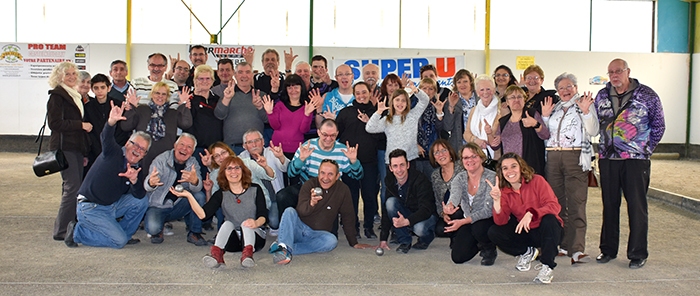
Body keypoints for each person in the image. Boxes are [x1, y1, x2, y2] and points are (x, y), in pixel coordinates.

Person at [594, 58, 665, 269]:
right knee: (609, 205)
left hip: (635, 161)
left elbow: (659, 125)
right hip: (608, 159)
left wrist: (645, 149)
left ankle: (637, 253)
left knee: (637, 207)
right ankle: (607, 250)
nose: (614, 75)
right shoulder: (602, 96)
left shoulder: (647, 95)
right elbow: (596, 122)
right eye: (610, 72)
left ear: (628, 72)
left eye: (618, 71)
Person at [64, 102, 151, 249]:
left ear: (144, 155)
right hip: (90, 207)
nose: (138, 150)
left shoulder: (136, 167)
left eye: (143, 149)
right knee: (119, 242)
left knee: (141, 202)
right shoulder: (113, 153)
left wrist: (135, 180)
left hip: (111, 206)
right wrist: (111, 122)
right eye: (135, 145)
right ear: (127, 143)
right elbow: (106, 137)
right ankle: (77, 232)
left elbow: (139, 196)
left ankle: (123, 233)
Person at [540, 73, 599, 264]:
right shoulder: (555, 108)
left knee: (576, 203)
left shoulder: (584, 104)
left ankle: (577, 249)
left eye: (569, 86)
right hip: (554, 157)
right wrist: (545, 117)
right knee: (557, 203)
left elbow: (593, 131)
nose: (565, 91)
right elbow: (546, 133)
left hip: (575, 157)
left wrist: (587, 113)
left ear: (576, 87)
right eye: (561, 88)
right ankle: (562, 245)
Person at [269, 159, 373, 264]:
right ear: (318, 173)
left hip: (317, 234)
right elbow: (300, 211)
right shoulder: (309, 184)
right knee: (289, 211)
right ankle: (284, 247)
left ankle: (284, 248)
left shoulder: (343, 190)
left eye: (330, 174)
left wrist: (353, 242)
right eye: (322, 173)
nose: (325, 178)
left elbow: (348, 216)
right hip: (299, 229)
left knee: (331, 241)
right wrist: (311, 203)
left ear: (337, 176)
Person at [171, 156, 267, 269]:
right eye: (229, 168)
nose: (233, 171)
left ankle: (247, 255)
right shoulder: (221, 193)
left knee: (246, 224)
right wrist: (188, 195)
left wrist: (255, 223)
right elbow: (203, 215)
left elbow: (263, 215)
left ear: (243, 170)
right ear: (224, 173)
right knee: (226, 224)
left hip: (255, 238)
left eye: (237, 167)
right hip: (233, 241)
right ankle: (217, 255)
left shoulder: (255, 189)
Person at [487, 153, 562, 284]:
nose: (510, 171)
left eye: (513, 166)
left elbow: (554, 206)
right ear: (501, 172)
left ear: (521, 167)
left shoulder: (537, 181)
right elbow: (501, 221)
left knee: (550, 219)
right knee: (494, 231)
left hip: (547, 231)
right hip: (526, 232)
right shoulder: (504, 191)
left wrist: (531, 213)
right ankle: (527, 252)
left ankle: (547, 266)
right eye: (505, 168)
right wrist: (497, 201)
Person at [276, 119, 364, 219]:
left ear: (337, 134)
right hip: (306, 188)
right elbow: (291, 174)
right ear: (318, 132)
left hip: (330, 192)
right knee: (282, 196)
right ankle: (287, 226)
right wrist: (301, 159)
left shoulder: (342, 151)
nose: (328, 138)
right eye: (325, 134)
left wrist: (354, 161)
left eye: (332, 135)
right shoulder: (307, 147)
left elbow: (358, 176)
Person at [46, 61, 92, 241]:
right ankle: (62, 231)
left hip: (75, 148)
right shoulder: (57, 96)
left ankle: (70, 225)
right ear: (59, 77)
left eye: (74, 73)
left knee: (73, 187)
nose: (73, 77)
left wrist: (84, 152)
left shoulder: (74, 95)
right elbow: (54, 123)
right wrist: (80, 125)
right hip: (65, 148)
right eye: (68, 74)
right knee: (72, 188)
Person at [336, 82, 382, 239]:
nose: (361, 95)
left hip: (370, 162)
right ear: (354, 94)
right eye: (358, 93)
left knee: (369, 196)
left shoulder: (377, 113)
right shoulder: (345, 113)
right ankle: (353, 227)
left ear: (370, 93)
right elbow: (336, 135)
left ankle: (369, 227)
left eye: (364, 92)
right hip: (349, 163)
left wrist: (370, 122)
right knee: (351, 197)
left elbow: (382, 137)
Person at [144, 133, 207, 246]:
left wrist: (194, 181)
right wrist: (151, 182)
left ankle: (195, 232)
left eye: (189, 147)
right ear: (175, 145)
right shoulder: (161, 159)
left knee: (199, 196)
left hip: (179, 205)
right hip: (158, 205)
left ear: (192, 151)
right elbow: (147, 184)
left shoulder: (193, 162)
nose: (184, 149)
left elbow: (198, 187)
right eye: (182, 144)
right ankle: (159, 229)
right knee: (153, 229)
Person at [442, 143, 497, 265]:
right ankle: (478, 243)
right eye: (466, 158)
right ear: (462, 161)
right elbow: (454, 195)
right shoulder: (460, 178)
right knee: (458, 257)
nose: (470, 160)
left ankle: (489, 248)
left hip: (488, 220)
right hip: (470, 220)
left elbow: (488, 210)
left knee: (479, 228)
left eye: (474, 156)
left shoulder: (492, 177)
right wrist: (450, 206)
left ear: (481, 158)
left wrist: (462, 222)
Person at [121, 81, 192, 174]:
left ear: (167, 97)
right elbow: (125, 126)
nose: (160, 96)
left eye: (164, 94)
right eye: (157, 93)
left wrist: (183, 104)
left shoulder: (172, 113)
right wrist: (131, 108)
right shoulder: (142, 109)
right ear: (152, 94)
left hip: (165, 158)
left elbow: (186, 124)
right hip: (143, 156)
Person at [200, 141, 275, 229]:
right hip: (233, 208)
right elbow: (212, 204)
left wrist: (265, 166)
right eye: (216, 156)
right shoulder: (214, 175)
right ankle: (225, 233)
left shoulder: (247, 163)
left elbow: (271, 176)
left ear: (229, 152)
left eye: (223, 153)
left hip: (257, 203)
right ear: (214, 160)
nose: (221, 157)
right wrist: (208, 191)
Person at [378, 149, 437, 254]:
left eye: (402, 165)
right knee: (390, 203)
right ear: (390, 168)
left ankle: (427, 238)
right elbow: (386, 211)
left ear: (408, 165)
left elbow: (426, 209)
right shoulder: (390, 180)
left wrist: (407, 221)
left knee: (418, 228)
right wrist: (383, 238)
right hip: (407, 212)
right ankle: (405, 241)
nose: (399, 169)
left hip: (427, 215)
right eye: (395, 166)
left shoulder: (420, 179)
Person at [488, 85, 549, 175]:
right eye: (512, 97)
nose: (516, 100)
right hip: (510, 170)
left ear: (524, 100)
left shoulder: (532, 113)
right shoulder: (503, 121)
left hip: (530, 168)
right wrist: (490, 135)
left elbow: (545, 135)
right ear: (507, 102)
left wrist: (535, 124)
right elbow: (495, 146)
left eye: (519, 97)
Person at [239, 129, 290, 230]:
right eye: (250, 142)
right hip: (254, 200)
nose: (254, 144)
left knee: (274, 223)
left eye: (257, 140)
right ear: (244, 146)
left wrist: (281, 157)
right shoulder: (241, 159)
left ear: (263, 142)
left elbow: (286, 168)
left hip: (274, 197)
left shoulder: (272, 153)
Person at [365, 83, 427, 165]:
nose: (400, 103)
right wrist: (378, 112)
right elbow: (369, 128)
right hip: (392, 161)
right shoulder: (387, 120)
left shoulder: (413, 115)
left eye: (403, 100)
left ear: (407, 103)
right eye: (397, 100)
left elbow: (425, 100)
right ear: (392, 102)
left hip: (410, 158)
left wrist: (417, 91)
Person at [214, 62, 268, 155]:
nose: (244, 75)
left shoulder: (261, 95)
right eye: (240, 72)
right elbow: (219, 115)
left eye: (247, 72)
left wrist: (260, 107)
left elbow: (268, 120)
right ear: (235, 75)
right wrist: (226, 99)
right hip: (232, 148)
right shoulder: (227, 93)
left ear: (252, 75)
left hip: (255, 148)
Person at [83, 74, 130, 174]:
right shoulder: (88, 108)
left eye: (102, 87)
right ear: (92, 89)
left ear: (109, 88)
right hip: (95, 151)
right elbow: (89, 133)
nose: (99, 91)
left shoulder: (118, 104)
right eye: (96, 88)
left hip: (115, 149)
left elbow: (122, 130)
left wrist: (116, 147)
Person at [263, 74, 317, 159]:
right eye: (290, 88)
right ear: (286, 90)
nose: (293, 90)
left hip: (297, 150)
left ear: (301, 88)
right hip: (276, 148)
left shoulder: (307, 107)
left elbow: (304, 130)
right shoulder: (280, 105)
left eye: (296, 87)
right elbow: (275, 126)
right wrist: (270, 113)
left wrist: (307, 115)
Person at [428, 139, 464, 240]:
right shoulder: (435, 176)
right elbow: (438, 201)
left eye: (444, 150)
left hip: (463, 209)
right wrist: (443, 214)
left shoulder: (462, 167)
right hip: (447, 211)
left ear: (450, 152)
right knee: (439, 230)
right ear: (434, 158)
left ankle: (459, 238)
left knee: (456, 213)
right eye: (437, 152)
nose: (441, 155)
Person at [413, 78, 446, 178]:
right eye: (424, 88)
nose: (427, 91)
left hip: (433, 153)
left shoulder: (438, 104)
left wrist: (439, 112)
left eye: (431, 89)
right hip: (416, 153)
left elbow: (440, 129)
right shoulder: (412, 104)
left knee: (433, 183)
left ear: (435, 91)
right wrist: (415, 145)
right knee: (418, 185)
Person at [464, 75, 501, 159]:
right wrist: (475, 140)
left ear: (494, 90)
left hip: (495, 158)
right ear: (477, 92)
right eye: (482, 90)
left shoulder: (501, 110)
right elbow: (466, 134)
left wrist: (492, 135)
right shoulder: (474, 110)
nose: (485, 92)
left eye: (488, 89)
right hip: (475, 156)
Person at [443, 69, 476, 152]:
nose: (462, 85)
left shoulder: (480, 97)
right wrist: (451, 107)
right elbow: (448, 127)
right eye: (459, 82)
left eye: (465, 81)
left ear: (471, 82)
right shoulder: (450, 100)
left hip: (479, 143)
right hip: (460, 146)